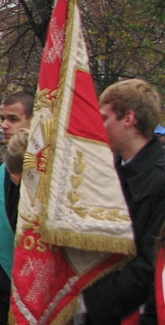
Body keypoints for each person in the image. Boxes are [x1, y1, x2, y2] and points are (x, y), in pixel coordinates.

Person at [81, 79, 165, 324]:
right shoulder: (111, 171)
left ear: (128, 119)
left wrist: (89, 301)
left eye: (105, 118)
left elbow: (150, 265)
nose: (98, 125)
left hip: (134, 313)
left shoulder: (160, 180)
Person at [0, 91, 33, 323]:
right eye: (3, 118)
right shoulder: (2, 170)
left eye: (13, 119)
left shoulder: (46, 173)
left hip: (31, 282)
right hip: (2, 283)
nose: (4, 125)